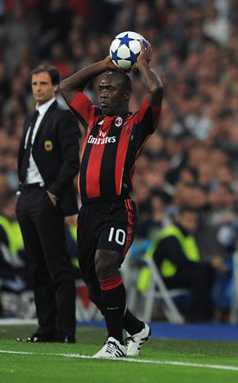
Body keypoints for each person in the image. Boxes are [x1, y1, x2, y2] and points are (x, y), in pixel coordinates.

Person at [60, 40, 164, 358]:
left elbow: (156, 91)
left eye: (109, 89)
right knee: (93, 288)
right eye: (101, 89)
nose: (102, 93)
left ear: (126, 94)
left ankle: (114, 341)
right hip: (88, 211)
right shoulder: (92, 118)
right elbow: (65, 86)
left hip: (118, 209)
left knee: (106, 265)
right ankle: (136, 329)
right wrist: (104, 65)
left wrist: (141, 63)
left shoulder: (137, 124)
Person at [15, 64, 80, 343]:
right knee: (36, 266)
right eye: (34, 84)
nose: (38, 89)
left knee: (57, 265)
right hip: (27, 196)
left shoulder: (62, 118)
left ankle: (65, 330)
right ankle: (46, 329)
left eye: (43, 84)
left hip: (45, 195)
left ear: (55, 86)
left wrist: (53, 193)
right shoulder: (31, 118)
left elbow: (71, 161)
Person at [138, 207, 214, 323]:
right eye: (189, 221)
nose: (192, 225)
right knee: (201, 275)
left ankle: (203, 314)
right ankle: (195, 317)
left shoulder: (185, 236)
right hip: (156, 280)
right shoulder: (171, 236)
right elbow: (181, 263)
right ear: (179, 219)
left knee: (205, 272)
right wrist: (209, 264)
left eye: (195, 221)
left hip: (168, 276)